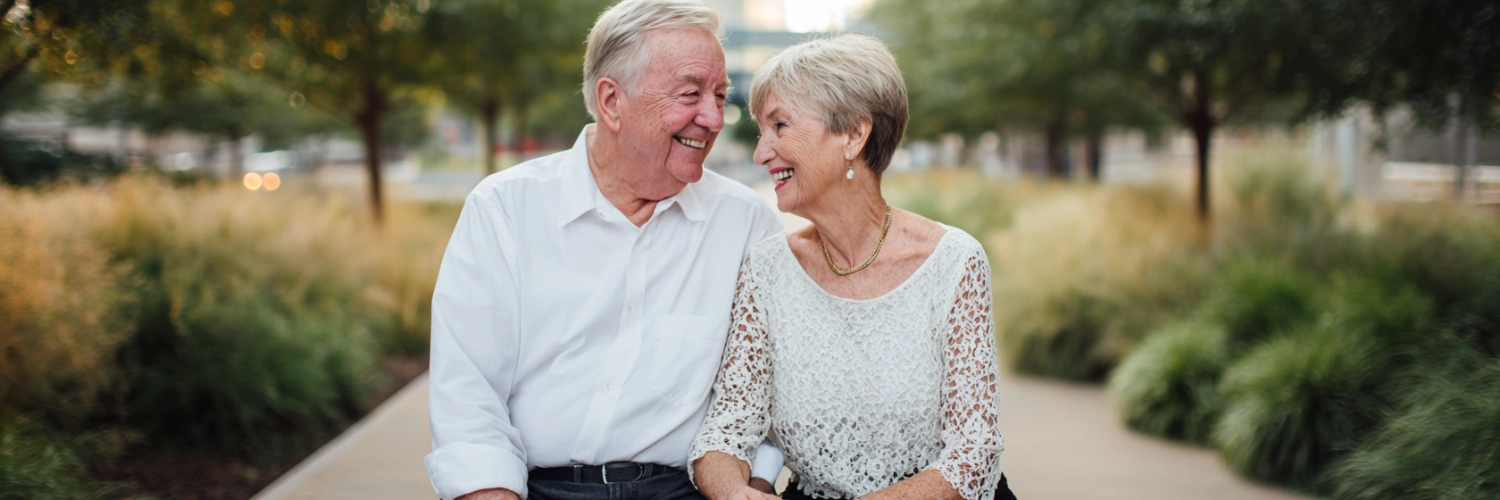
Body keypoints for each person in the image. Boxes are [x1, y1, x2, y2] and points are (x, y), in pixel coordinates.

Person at [424, 1, 787, 499]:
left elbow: (767, 397)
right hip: (536, 489)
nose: (713, 118)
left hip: (690, 490)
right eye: (690, 94)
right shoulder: (504, 209)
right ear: (612, 101)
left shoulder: (746, 223)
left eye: (720, 95)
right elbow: (467, 400)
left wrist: (750, 488)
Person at [688, 34, 1015, 500]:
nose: (761, 153)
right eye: (762, 131)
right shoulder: (766, 269)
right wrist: (734, 492)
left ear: (854, 135)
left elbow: (974, 453)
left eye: (780, 125)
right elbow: (727, 431)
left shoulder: (954, 261)